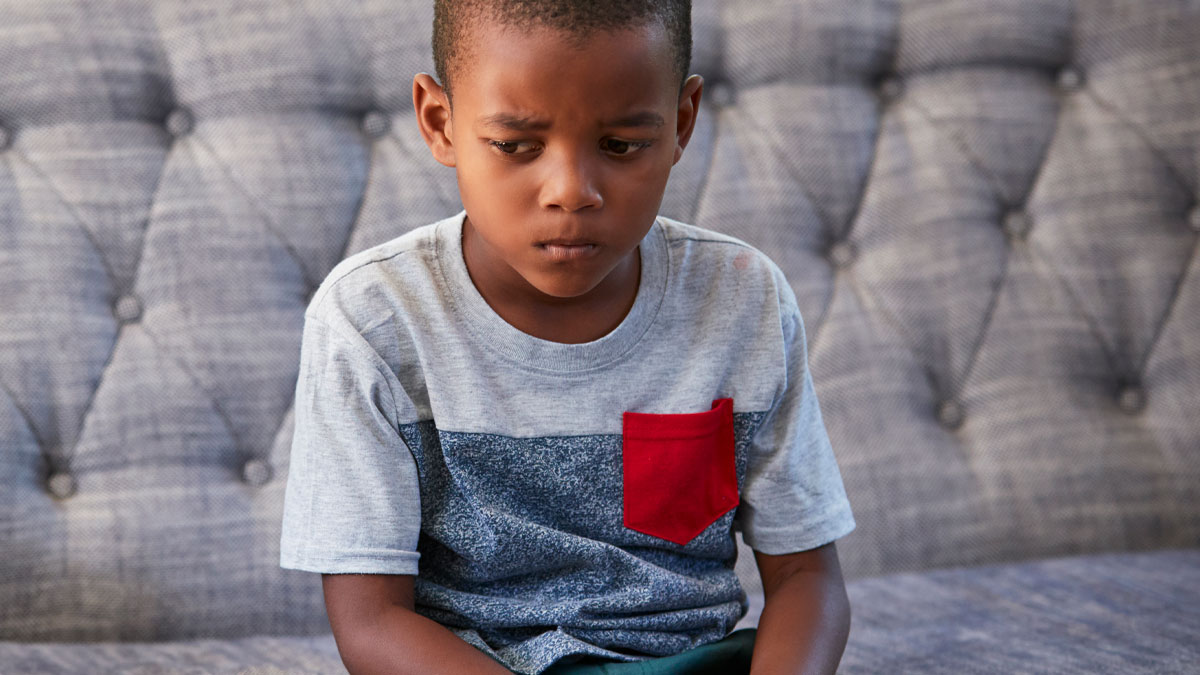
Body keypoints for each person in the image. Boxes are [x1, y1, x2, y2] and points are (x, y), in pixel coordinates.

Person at [278, 1, 856, 673]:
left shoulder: (742, 299)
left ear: (681, 123)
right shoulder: (372, 320)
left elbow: (807, 576)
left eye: (621, 145)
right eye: (515, 146)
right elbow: (371, 623)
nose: (571, 191)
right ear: (440, 123)